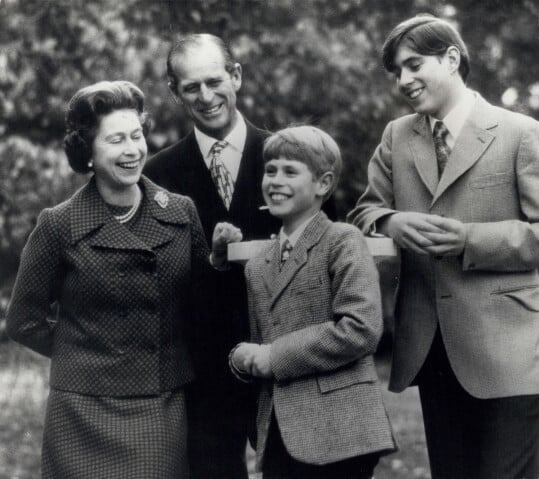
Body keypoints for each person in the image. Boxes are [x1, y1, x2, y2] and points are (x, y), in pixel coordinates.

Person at [348, 14, 539, 479]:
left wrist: (469, 239)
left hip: (510, 350)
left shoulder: (520, 132)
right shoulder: (397, 136)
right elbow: (363, 213)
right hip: (432, 350)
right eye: (397, 72)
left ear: (451, 58)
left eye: (413, 65)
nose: (404, 81)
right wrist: (392, 220)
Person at [143, 33, 335, 478]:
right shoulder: (157, 175)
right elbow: (157, 280)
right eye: (191, 87)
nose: (206, 97)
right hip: (203, 372)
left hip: (287, 361)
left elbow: (327, 254)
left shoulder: (293, 156)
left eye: (215, 81)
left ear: (236, 76)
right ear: (175, 92)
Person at [6, 81, 210, 478]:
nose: (132, 150)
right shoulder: (58, 225)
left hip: (159, 403)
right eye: (116, 140)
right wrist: (88, 352)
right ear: (88, 153)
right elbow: (22, 321)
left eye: (137, 136)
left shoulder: (182, 213)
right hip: (80, 410)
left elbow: (203, 307)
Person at [219, 125, 397, 479]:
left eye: (290, 170)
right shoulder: (258, 264)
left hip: (342, 431)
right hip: (279, 433)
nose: (275, 180)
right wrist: (244, 359)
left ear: (323, 184)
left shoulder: (342, 240)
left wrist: (273, 356)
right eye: (270, 170)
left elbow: (360, 329)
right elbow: (263, 343)